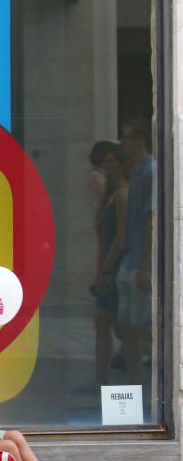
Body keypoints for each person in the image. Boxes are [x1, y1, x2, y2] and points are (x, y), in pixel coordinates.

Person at [116, 119, 154, 387]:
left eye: (127, 137)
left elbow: (151, 220)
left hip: (139, 261)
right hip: (130, 259)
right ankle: (135, 380)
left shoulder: (151, 171)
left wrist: (144, 266)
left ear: (140, 139)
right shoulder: (137, 172)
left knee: (141, 325)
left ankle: (145, 377)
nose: (123, 144)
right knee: (125, 325)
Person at [93, 145, 129, 385]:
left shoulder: (123, 194)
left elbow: (122, 234)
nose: (107, 166)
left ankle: (152, 353)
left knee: (120, 326)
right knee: (103, 321)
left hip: (115, 265)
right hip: (107, 263)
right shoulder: (110, 194)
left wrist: (108, 267)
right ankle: (101, 377)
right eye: (105, 161)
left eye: (112, 161)